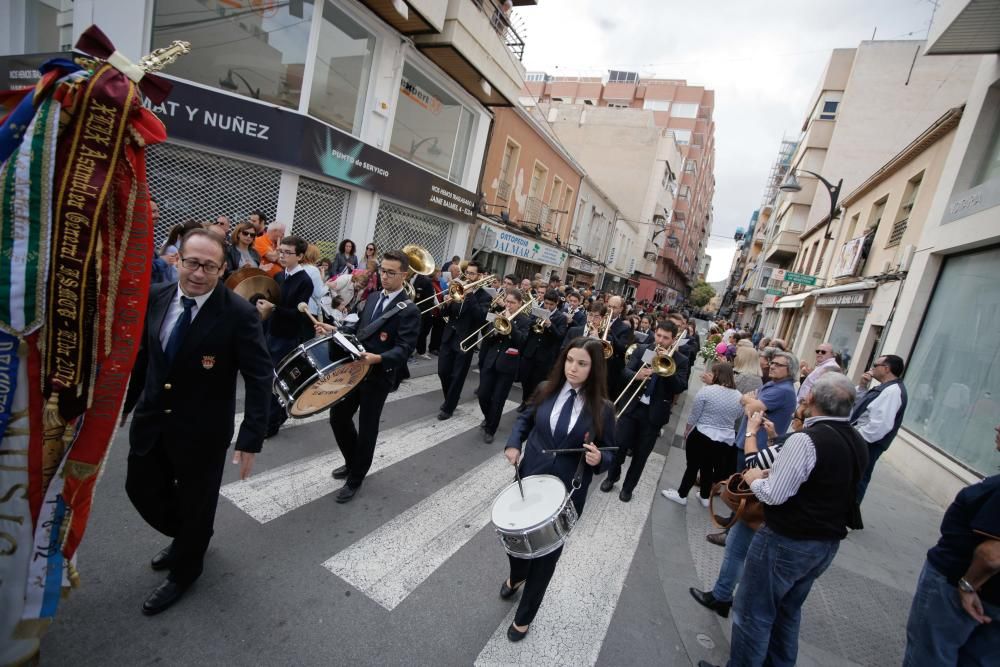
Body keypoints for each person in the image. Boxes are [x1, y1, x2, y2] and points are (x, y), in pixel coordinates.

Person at [121, 229, 272, 615]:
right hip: (152, 420)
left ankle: (186, 570)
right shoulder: (157, 297)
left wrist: (250, 436)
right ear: (177, 260)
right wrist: (122, 407)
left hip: (202, 433)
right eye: (192, 262)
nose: (198, 273)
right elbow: (144, 356)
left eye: (209, 266)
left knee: (195, 501)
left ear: (222, 270)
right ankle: (192, 535)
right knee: (140, 488)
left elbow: (259, 376)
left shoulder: (239, 314)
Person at [703, 373, 868, 667]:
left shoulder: (807, 439)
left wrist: (754, 479)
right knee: (787, 614)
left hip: (787, 540)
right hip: (825, 543)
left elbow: (773, 495)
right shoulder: (856, 439)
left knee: (753, 612)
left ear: (813, 400)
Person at [501, 338, 616, 641]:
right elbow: (524, 420)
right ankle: (517, 574)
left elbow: (611, 452)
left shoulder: (603, 409)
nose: (573, 369)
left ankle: (524, 617)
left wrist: (600, 458)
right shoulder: (544, 389)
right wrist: (514, 443)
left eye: (582, 364)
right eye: (570, 360)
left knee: (546, 556)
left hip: (566, 493)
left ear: (594, 369)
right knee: (515, 541)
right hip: (529, 481)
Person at [311, 250, 420, 503]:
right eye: (383, 270)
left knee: (368, 427)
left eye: (391, 273)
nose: (385, 276)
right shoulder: (372, 298)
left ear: (403, 275)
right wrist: (333, 328)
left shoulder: (409, 310)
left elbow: (404, 349)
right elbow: (359, 327)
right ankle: (352, 461)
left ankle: (356, 477)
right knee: (338, 417)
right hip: (355, 370)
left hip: (379, 375)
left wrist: (378, 359)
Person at [902, 424, 999, 666]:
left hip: (957, 588)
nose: (996, 426)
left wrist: (968, 585)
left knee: (929, 656)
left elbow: (992, 555)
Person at [691, 408, 804, 608]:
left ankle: (721, 596)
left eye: (797, 417)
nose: (793, 420)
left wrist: (751, 430)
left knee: (736, 550)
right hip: (786, 516)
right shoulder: (813, 440)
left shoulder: (801, 441)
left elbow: (753, 463)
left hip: (764, 509)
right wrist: (773, 438)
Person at [602, 320, 689, 502]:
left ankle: (628, 488)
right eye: (658, 335)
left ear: (673, 340)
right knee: (618, 445)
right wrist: (636, 375)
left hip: (654, 414)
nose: (660, 340)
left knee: (641, 455)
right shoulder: (643, 350)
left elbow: (680, 387)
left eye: (665, 338)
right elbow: (624, 372)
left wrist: (668, 368)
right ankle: (612, 476)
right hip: (632, 406)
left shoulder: (680, 360)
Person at [662, 361, 744, 507]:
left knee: (693, 465)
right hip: (725, 438)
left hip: (703, 433)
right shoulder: (739, 396)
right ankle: (705, 496)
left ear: (717, 375)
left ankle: (682, 495)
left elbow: (695, 414)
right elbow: (738, 415)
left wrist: (687, 429)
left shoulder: (707, 391)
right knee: (709, 467)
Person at [256, 236, 316, 436]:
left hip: (287, 336)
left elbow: (298, 314)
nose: (282, 255)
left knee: (275, 381)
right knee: (266, 377)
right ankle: (277, 415)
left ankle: (272, 423)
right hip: (271, 331)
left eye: (287, 252)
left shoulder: (304, 280)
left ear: (299, 256)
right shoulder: (280, 276)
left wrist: (274, 308)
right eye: (280, 251)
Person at [851, 354, 908, 504]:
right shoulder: (884, 388)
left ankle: (848, 518)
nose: (872, 368)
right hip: (862, 440)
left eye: (875, 365)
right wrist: (863, 386)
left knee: (859, 477)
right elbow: (860, 407)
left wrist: (857, 438)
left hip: (868, 443)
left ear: (886, 368)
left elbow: (879, 425)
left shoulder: (893, 391)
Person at [437, 260, 490, 420]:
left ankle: (449, 407)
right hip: (449, 336)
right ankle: (450, 399)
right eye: (467, 273)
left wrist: (470, 295)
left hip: (465, 340)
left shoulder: (484, 296)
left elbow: (481, 318)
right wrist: (447, 303)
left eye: (472, 273)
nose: (468, 276)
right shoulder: (457, 289)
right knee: (443, 372)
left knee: (457, 376)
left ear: (480, 276)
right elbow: (446, 315)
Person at [478, 289, 532, 443]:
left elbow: (521, 342)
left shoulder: (525, 321)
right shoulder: (498, 315)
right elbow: (486, 338)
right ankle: (489, 418)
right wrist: (494, 331)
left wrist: (510, 324)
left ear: (520, 304)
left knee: (498, 400)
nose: (508, 305)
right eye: (507, 301)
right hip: (491, 361)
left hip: (507, 365)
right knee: (483, 394)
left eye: (512, 303)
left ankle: (490, 429)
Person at [737, 350, 798, 470]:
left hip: (757, 449)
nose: (772, 366)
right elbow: (750, 409)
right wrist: (749, 402)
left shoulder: (783, 390)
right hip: (748, 443)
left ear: (790, 370)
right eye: (772, 363)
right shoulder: (773, 383)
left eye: (779, 365)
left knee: (740, 485)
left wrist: (745, 398)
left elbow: (749, 410)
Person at [519, 289, 569, 409]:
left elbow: (560, 336)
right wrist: (535, 321)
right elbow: (528, 324)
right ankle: (525, 400)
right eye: (546, 303)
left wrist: (550, 325)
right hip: (530, 352)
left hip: (545, 356)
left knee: (537, 382)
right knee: (525, 380)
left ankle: (532, 405)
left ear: (557, 303)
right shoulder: (537, 311)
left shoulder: (561, 317)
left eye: (551, 304)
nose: (548, 306)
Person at [605, 295, 635, 403]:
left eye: (614, 307)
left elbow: (622, 348)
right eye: (609, 306)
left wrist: (610, 333)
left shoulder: (624, 327)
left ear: (621, 309)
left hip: (610, 369)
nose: (611, 310)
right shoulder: (600, 318)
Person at [301, 244, 328, 317]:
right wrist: (327, 286)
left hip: (298, 306)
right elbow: (318, 293)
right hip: (310, 309)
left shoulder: (298, 267)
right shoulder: (314, 270)